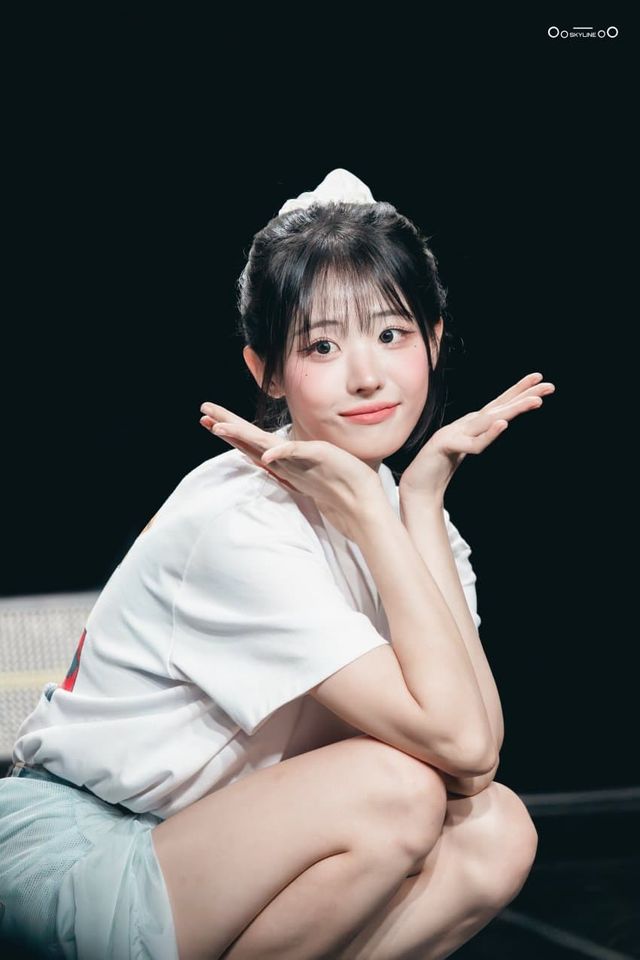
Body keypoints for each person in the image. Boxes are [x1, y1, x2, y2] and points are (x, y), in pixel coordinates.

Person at [0, 169, 555, 960]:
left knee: (494, 832)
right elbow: (457, 748)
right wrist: (375, 512)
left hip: (216, 845)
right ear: (265, 370)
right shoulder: (241, 520)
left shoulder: (397, 505)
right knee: (395, 791)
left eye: (392, 335)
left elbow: (476, 759)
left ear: (433, 340)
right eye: (322, 345)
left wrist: (421, 502)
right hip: (84, 853)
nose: (366, 375)